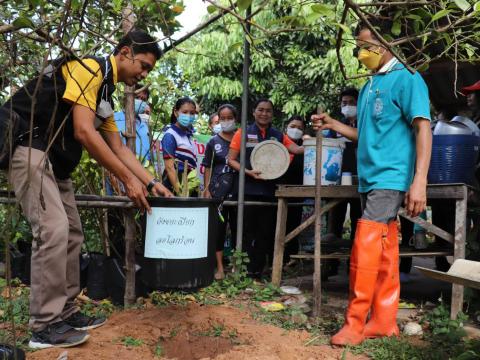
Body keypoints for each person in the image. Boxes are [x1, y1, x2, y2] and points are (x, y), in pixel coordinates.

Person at [1, 30, 172, 349]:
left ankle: (64, 311)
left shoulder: (104, 93)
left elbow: (119, 149)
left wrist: (152, 182)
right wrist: (127, 179)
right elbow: (82, 130)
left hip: (54, 158)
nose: (144, 74)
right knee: (52, 229)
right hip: (28, 146)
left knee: (73, 232)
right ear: (125, 53)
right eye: (144, 66)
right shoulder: (90, 68)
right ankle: (44, 325)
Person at [312, 20, 432, 346]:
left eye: (366, 46)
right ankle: (383, 320)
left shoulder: (407, 78)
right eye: (358, 48)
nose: (361, 53)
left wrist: (419, 180)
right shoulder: (369, 85)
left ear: (385, 43)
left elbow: (423, 128)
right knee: (383, 245)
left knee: (364, 241)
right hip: (369, 178)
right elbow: (364, 134)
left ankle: (355, 323)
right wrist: (334, 123)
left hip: (391, 176)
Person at [228, 99, 304, 278]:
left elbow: (295, 149)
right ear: (254, 112)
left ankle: (258, 272)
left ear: (272, 114)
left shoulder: (278, 135)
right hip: (247, 191)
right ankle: (242, 272)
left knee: (266, 234)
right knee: (245, 233)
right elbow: (231, 160)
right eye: (260, 110)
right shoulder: (243, 132)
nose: (264, 113)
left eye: (268, 111)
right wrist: (248, 172)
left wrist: (310, 143)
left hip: (269, 192)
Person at [202, 104, 238, 280]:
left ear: (235, 118)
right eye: (222, 118)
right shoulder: (213, 142)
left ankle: (237, 267)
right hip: (218, 193)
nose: (225, 121)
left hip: (239, 191)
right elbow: (207, 166)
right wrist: (207, 188)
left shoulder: (241, 139)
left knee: (239, 229)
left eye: (229, 117)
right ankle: (220, 268)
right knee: (219, 230)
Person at [328, 88, 362, 244]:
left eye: (351, 103)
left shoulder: (366, 123)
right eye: (344, 103)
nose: (347, 106)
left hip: (360, 180)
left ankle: (353, 263)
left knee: (359, 221)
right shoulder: (336, 126)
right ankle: (332, 267)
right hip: (338, 180)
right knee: (334, 222)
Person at [279, 115, 305, 263]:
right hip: (278, 191)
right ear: (286, 127)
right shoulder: (278, 144)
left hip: (297, 192)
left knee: (294, 224)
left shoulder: (306, 146)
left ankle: (291, 259)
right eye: (293, 126)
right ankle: (274, 258)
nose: (296, 130)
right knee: (275, 224)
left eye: (300, 128)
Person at [161, 97, 198, 195]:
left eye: (192, 113)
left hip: (188, 184)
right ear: (176, 112)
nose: (188, 116)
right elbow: (169, 167)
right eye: (185, 112)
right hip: (175, 186)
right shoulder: (170, 135)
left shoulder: (189, 136)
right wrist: (180, 193)